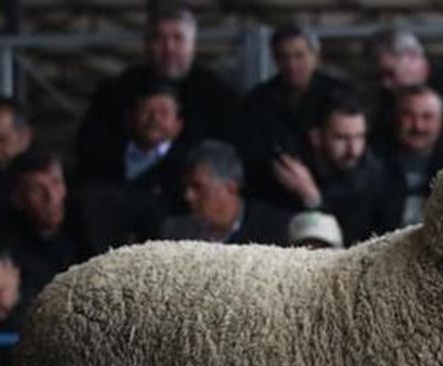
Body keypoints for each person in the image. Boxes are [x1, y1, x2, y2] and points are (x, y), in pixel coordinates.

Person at [75, 3, 238, 177]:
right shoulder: (116, 91)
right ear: (146, 44)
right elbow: (90, 150)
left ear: (193, 45)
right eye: (159, 38)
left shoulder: (219, 96)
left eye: (178, 38)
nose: (169, 49)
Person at [5, 148, 160, 294]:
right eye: (37, 190)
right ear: (17, 199)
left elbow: (152, 209)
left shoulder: (96, 205)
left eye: (56, 182)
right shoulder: (9, 248)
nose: (51, 197)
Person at [238, 24, 353, 208]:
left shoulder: (339, 94)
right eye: (284, 57)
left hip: (334, 192)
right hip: (273, 195)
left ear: (315, 56)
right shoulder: (257, 101)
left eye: (299, 56)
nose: (292, 65)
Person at [271, 92, 398, 245]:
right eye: (342, 138)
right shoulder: (291, 172)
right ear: (316, 137)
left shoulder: (378, 179)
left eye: (359, 137)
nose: (353, 150)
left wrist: (312, 198)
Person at [79, 80, 189, 213]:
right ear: (129, 118)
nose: (154, 119)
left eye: (164, 113)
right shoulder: (101, 157)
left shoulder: (187, 168)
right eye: (146, 110)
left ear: (178, 125)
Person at [159, 140, 291, 245]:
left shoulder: (276, 230)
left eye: (198, 187)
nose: (188, 196)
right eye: (186, 187)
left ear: (231, 187)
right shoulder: (176, 232)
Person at [380, 85, 443, 227]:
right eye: (409, 116)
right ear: (396, 118)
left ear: (441, 120)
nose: (418, 126)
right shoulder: (375, 165)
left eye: (427, 117)